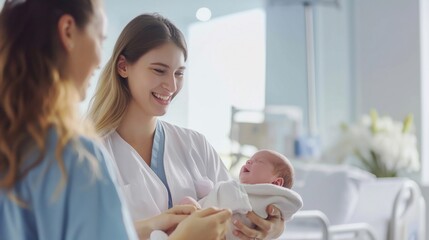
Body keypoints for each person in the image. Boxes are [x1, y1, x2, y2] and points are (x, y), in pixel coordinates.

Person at [0, 1, 230, 239]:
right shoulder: (77, 156)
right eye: (100, 38)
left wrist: (148, 226)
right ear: (68, 31)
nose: (100, 59)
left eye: (179, 73)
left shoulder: (19, 146)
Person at [88, 13, 285, 239]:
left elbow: (243, 210)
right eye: (159, 70)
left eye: (179, 73)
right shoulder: (91, 155)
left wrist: (273, 226)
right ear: (123, 66)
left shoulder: (196, 145)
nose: (171, 85)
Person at [174, 150, 303, 240]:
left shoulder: (267, 197)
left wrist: (277, 229)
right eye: (249, 160)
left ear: (276, 182)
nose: (248, 162)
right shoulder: (240, 189)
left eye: (259, 161)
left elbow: (229, 198)